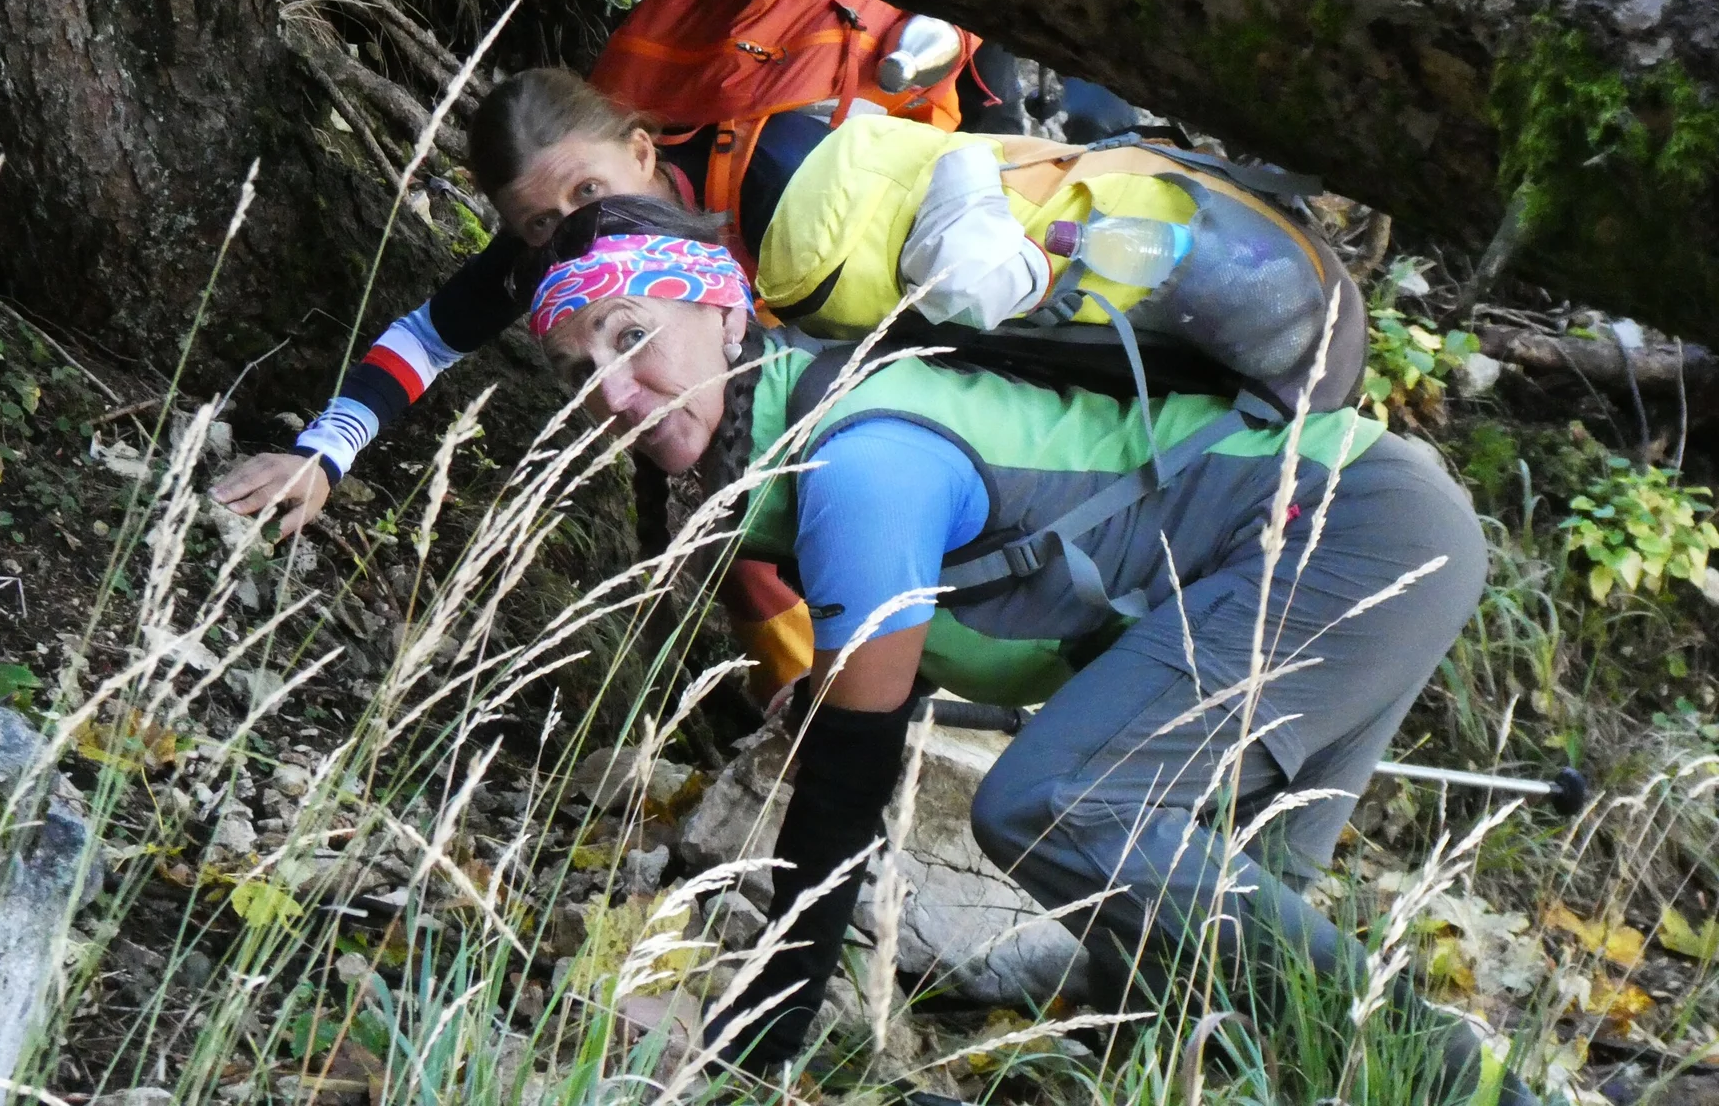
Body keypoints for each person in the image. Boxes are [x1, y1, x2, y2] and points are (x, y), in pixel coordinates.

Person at [522, 195, 1533, 1104]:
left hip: (1341, 532)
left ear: (725, 311)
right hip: (1360, 529)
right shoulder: (803, 445)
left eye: (631, 336)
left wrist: (756, 1050)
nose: (613, 391)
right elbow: (886, 705)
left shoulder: (857, 460)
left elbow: (846, 782)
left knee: (1056, 807)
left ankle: (1482, 1091)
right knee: (1192, 998)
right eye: (581, 370)